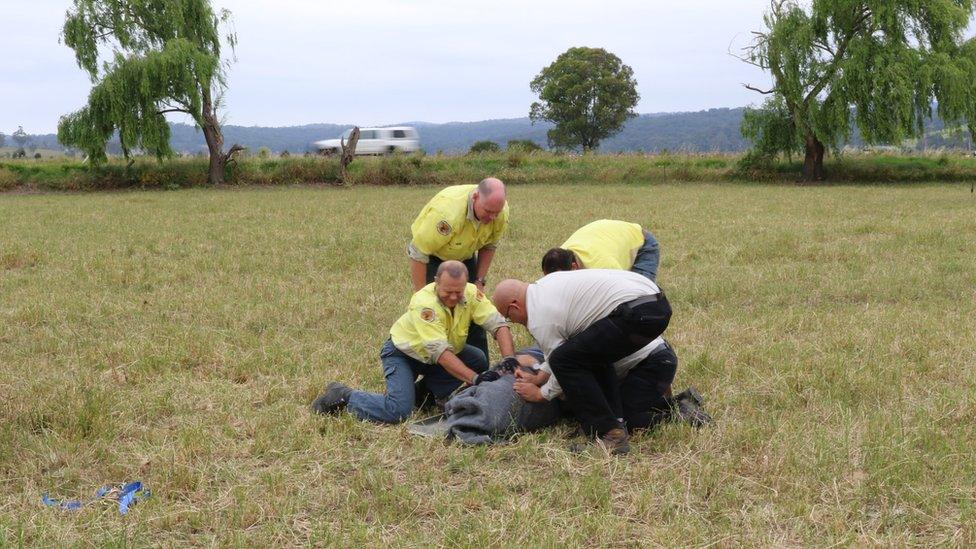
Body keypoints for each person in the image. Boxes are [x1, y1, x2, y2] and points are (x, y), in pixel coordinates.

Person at [492, 269, 672, 455]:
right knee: (593, 355)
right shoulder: (546, 287)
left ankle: (609, 434)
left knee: (569, 360)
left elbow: (560, 360)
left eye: (508, 317)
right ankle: (614, 426)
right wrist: (538, 378)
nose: (512, 321)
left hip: (637, 313)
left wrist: (541, 394)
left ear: (514, 306)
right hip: (656, 303)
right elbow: (566, 350)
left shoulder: (539, 317)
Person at [313, 260, 515, 423]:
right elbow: (442, 355)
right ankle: (345, 395)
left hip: (436, 357)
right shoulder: (424, 303)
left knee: (477, 358)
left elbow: (498, 325)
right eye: (448, 292)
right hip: (404, 355)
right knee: (398, 412)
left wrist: (509, 360)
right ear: (436, 282)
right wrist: (475, 379)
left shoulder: (471, 293)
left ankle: (422, 396)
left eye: (458, 291)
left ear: (465, 284)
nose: (454, 297)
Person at [407, 178, 509, 359]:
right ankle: (439, 367)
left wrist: (479, 280)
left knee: (473, 307)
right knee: (441, 310)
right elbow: (418, 252)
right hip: (435, 259)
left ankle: (479, 365)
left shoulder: (499, 212)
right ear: (475, 197)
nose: (492, 218)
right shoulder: (447, 214)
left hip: (466, 256)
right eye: (487, 211)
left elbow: (489, 245)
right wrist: (421, 295)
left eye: (496, 212)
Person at [541, 219, 660, 281]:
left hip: (642, 243)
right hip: (606, 234)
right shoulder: (560, 256)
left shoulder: (604, 269)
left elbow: (622, 293)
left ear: (574, 267)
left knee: (640, 298)